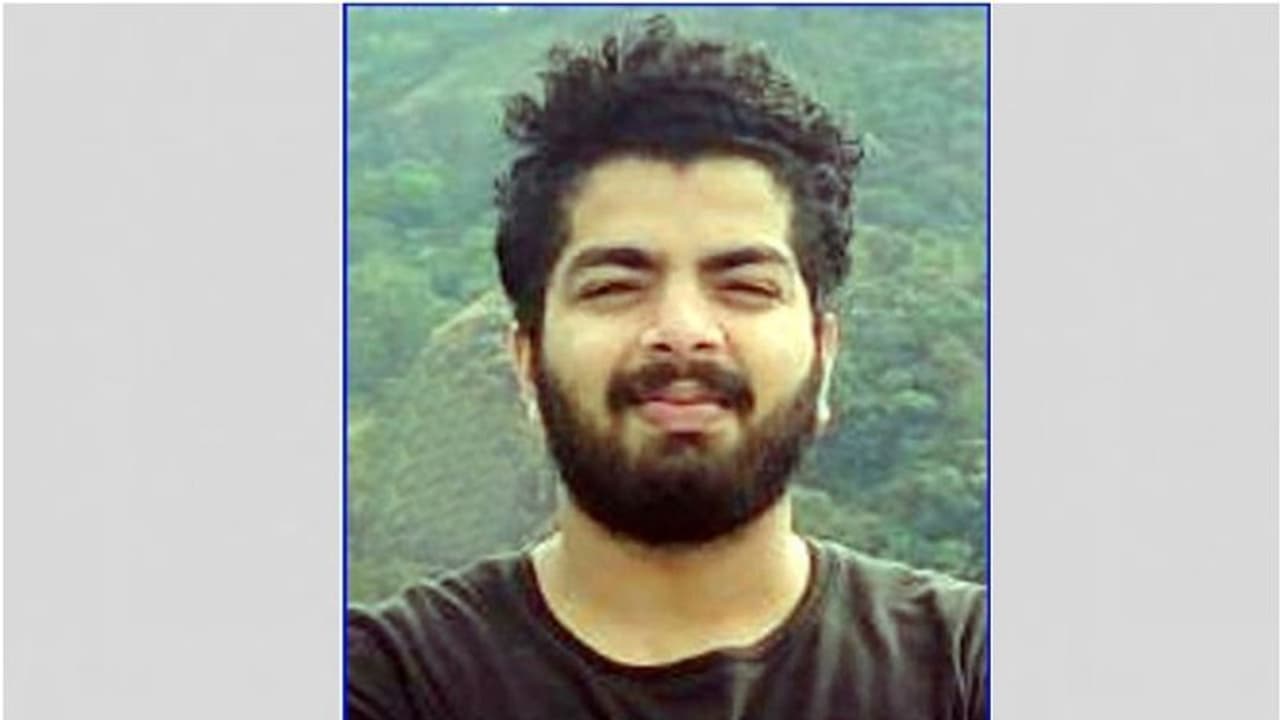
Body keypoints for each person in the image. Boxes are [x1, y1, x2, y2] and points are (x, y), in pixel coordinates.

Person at [347, 15, 987, 720]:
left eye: (745, 285)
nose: (683, 332)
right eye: (614, 286)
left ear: (823, 355)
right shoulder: (388, 682)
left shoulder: (967, 666)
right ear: (527, 363)